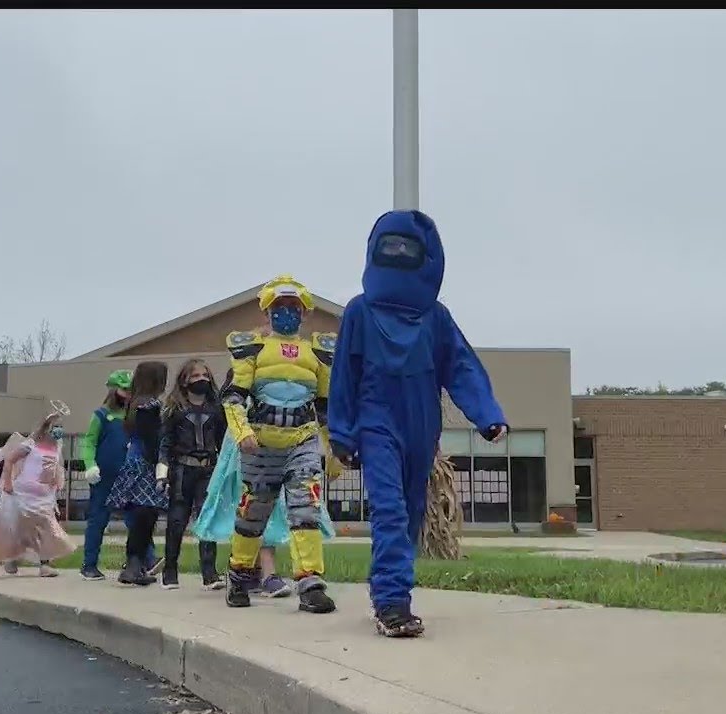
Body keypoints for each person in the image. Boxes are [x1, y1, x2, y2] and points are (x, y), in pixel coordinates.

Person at [328, 211, 507, 638]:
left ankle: (384, 589)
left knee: (408, 512)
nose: (399, 254)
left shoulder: (436, 318)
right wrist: (342, 432)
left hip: (421, 424)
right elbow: (344, 375)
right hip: (376, 421)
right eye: (391, 246)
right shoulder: (360, 312)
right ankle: (393, 601)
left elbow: (460, 366)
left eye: (409, 248)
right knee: (388, 510)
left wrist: (487, 414)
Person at [221, 275, 337, 613]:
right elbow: (232, 396)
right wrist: (241, 430)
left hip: (301, 440)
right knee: (252, 513)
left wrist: (334, 449)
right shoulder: (251, 348)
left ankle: (310, 583)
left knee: (306, 510)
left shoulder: (318, 352)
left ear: (304, 312)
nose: (286, 312)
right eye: (280, 306)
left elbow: (325, 405)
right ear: (268, 310)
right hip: (260, 443)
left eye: (293, 307)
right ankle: (240, 575)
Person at [157, 358, 227, 590]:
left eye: (205, 376)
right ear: (185, 380)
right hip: (181, 470)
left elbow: (223, 441)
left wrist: (224, 470)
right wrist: (162, 473)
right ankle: (170, 571)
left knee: (207, 520)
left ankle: (210, 574)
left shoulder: (216, 408)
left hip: (208, 469)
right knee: (177, 521)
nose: (202, 380)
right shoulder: (175, 409)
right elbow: (165, 444)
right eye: (196, 376)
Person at [0, 409, 77, 576]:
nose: (59, 430)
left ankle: (44, 565)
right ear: (47, 428)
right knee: (23, 530)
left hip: (44, 497)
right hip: (24, 495)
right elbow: (10, 460)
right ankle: (12, 558)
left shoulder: (57, 447)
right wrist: (7, 482)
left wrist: (57, 480)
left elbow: (55, 467)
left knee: (47, 528)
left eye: (61, 427)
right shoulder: (31, 444)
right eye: (55, 426)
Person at [79, 369, 148, 581]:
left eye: (130, 390)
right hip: (104, 477)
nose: (128, 394)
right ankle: (89, 564)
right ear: (114, 390)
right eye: (124, 390)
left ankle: (143, 561)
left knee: (137, 519)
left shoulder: (134, 416)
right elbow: (89, 442)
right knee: (98, 520)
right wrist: (89, 465)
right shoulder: (101, 415)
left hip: (130, 475)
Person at [107, 361, 170, 586]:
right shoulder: (150, 406)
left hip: (133, 461)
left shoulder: (134, 405)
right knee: (146, 516)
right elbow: (152, 440)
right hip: (146, 465)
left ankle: (136, 566)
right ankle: (133, 566)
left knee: (140, 518)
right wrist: (161, 466)